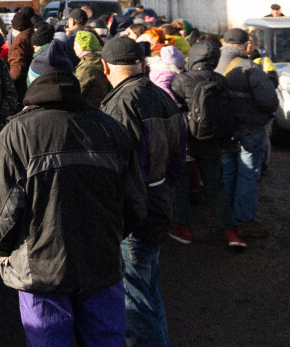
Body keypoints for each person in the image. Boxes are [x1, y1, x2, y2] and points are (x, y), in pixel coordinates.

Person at [0, 40, 145, 347]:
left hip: (40, 269)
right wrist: (111, 234)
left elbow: (0, 209)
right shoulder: (110, 128)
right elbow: (135, 202)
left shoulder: (14, 135)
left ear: (33, 82)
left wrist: (1, 249)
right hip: (101, 263)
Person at [100, 37, 186, 347]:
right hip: (158, 205)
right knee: (148, 293)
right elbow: (179, 157)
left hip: (135, 219)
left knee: (135, 307)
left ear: (105, 66)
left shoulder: (120, 105)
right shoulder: (161, 96)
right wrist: (160, 188)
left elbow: (117, 171)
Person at [169, 40, 233, 246]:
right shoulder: (221, 80)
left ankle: (184, 229)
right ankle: (231, 231)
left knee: (181, 185)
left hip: (186, 140)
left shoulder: (182, 79)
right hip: (211, 140)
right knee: (215, 185)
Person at [217, 28, 278, 243]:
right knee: (247, 175)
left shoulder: (211, 63)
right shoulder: (249, 67)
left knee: (226, 174)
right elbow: (269, 101)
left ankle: (225, 220)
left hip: (221, 130)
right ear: (246, 45)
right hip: (249, 129)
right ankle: (243, 221)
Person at [73, 30, 110, 109]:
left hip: (89, 110)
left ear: (81, 46)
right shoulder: (103, 60)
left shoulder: (86, 68)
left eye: (75, 45)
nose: (74, 48)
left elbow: (77, 92)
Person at [8, 7, 37, 103]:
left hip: (21, 89)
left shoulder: (19, 42)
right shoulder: (32, 35)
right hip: (32, 85)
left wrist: (8, 83)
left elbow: (17, 70)